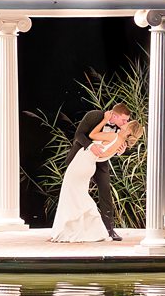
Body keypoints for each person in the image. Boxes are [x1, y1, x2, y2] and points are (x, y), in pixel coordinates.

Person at [51, 103, 133, 242]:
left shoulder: (118, 130)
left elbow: (113, 145)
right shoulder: (95, 115)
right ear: (114, 115)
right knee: (75, 193)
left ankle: (108, 230)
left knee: (105, 191)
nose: (126, 123)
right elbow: (79, 135)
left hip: (100, 162)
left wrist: (121, 150)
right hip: (82, 157)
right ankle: (69, 227)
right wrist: (90, 145)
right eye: (124, 120)